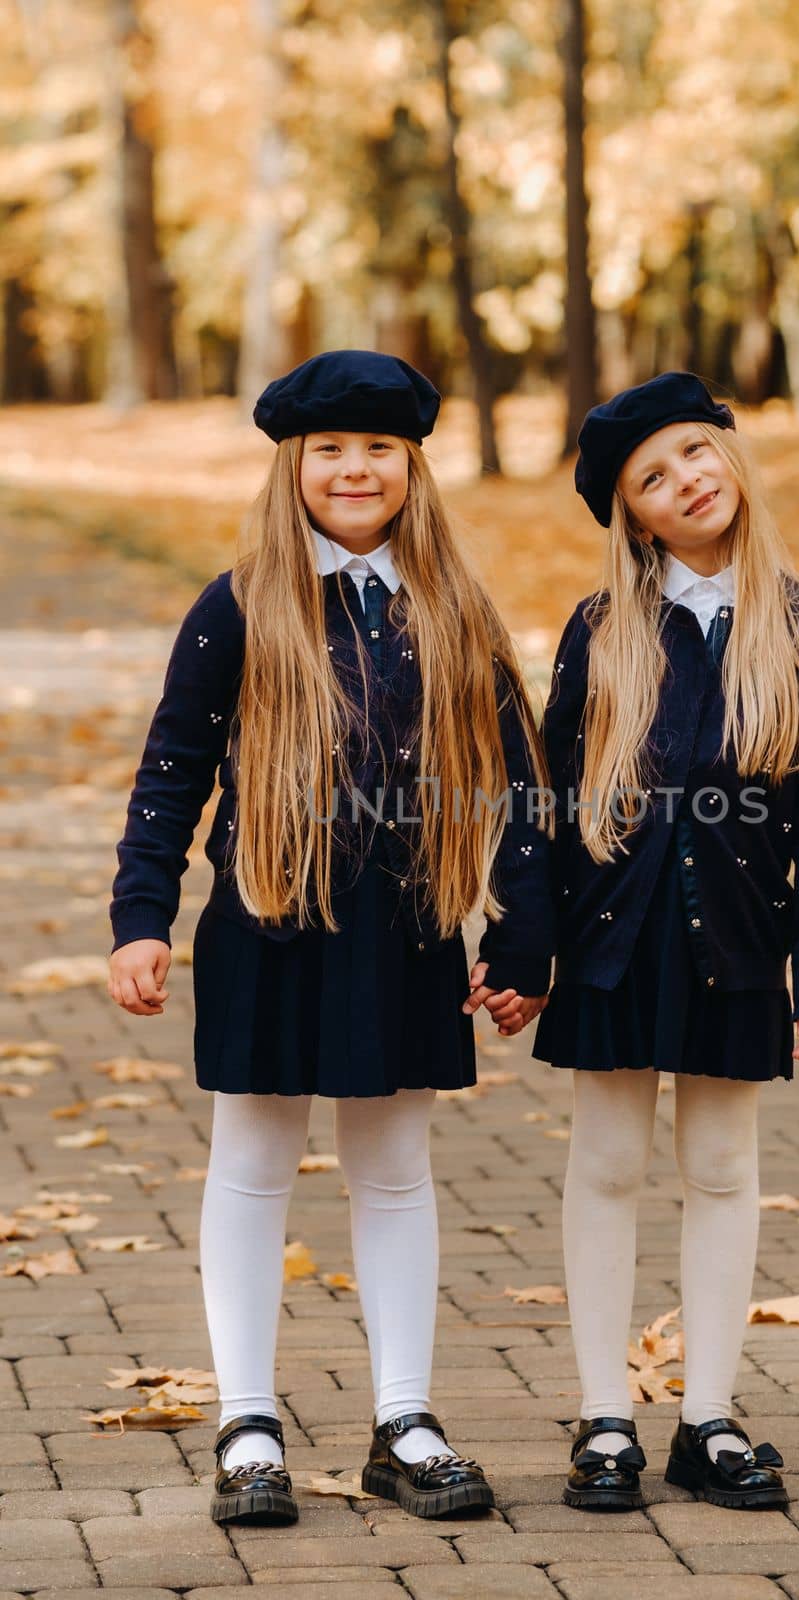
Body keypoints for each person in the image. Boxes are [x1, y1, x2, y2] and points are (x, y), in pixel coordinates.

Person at [107, 350, 552, 1526]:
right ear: (293, 467)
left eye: (378, 450)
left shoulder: (453, 608)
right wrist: (138, 918)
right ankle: (246, 1421)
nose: (354, 469)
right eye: (330, 451)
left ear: (410, 467)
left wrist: (521, 937)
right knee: (251, 1166)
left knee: (394, 1173)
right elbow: (171, 773)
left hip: (407, 930)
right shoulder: (241, 602)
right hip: (268, 920)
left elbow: (522, 782)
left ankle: (403, 1418)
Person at [531, 371, 799, 1512]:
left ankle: (707, 1415)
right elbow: (543, 798)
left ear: (729, 455)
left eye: (693, 453)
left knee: (721, 1170)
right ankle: (606, 1419)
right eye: (652, 478)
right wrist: (524, 949)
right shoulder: (602, 630)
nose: (686, 482)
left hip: (736, 939)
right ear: (631, 514)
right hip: (613, 942)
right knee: (607, 1165)